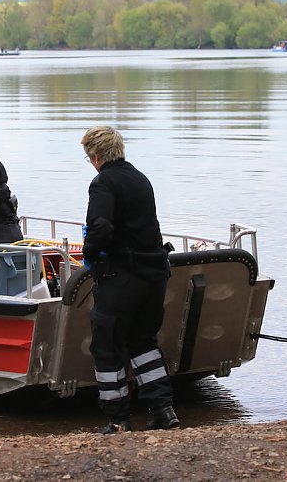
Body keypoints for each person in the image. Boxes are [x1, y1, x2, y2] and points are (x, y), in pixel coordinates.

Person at [80, 125, 179, 435]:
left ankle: (118, 419)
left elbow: (101, 227)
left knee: (106, 346)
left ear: (96, 156)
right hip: (155, 274)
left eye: (88, 157)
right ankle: (164, 410)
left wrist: (90, 254)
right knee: (143, 343)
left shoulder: (103, 183)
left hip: (122, 276)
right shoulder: (140, 178)